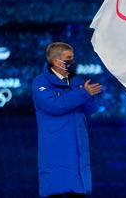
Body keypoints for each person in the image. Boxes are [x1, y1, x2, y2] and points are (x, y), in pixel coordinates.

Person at [32, 42, 102, 198]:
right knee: (57, 189)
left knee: (78, 189)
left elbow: (91, 110)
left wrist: (89, 94)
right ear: (56, 61)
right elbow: (54, 106)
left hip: (79, 149)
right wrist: (83, 93)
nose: (73, 61)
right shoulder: (40, 83)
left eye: (73, 57)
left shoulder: (77, 82)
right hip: (56, 149)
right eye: (69, 58)